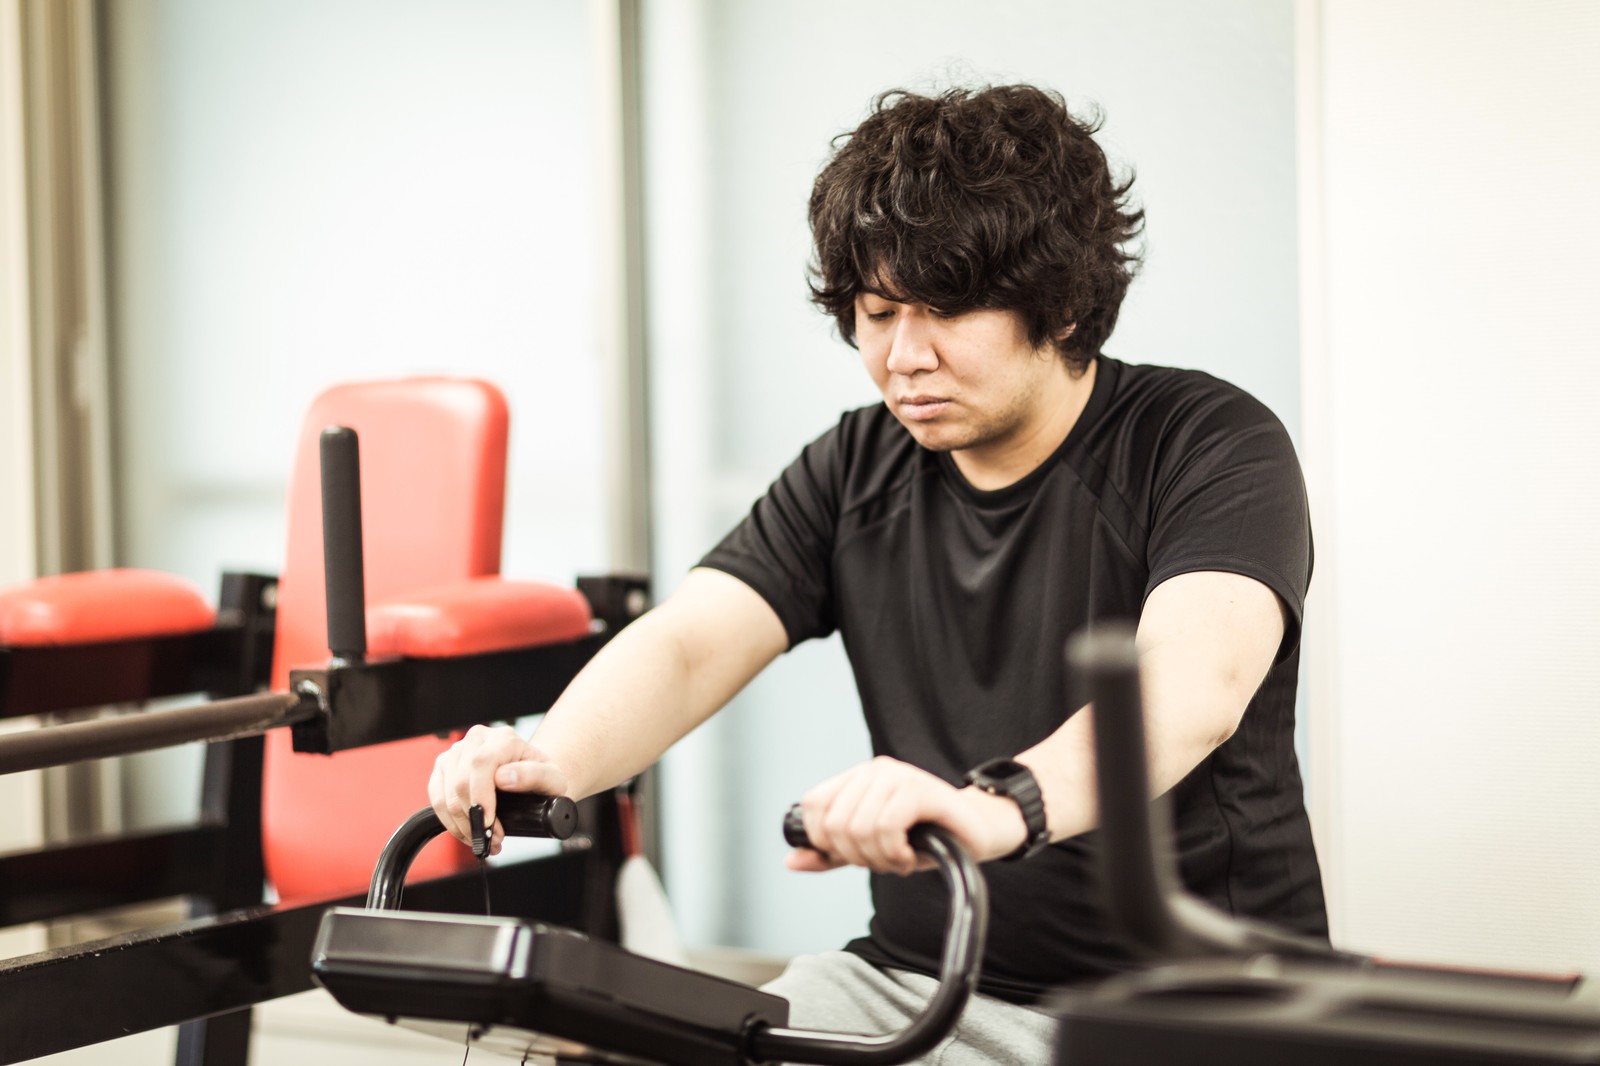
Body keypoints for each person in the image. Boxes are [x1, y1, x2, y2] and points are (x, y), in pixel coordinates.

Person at [430, 84, 1326, 1064]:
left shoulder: (1207, 443)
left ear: (1064, 303)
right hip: (915, 983)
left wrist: (995, 809)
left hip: (1193, 1008)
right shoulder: (856, 466)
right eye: (878, 311)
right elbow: (689, 645)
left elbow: (1190, 690)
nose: (904, 355)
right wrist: (547, 761)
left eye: (948, 309)